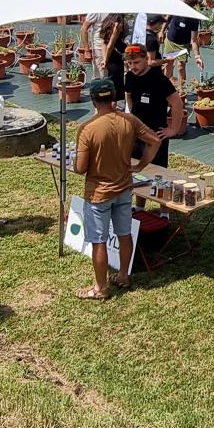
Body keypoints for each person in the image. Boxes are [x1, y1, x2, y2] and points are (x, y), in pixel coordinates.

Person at [71, 77, 160, 300]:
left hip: (99, 194)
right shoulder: (129, 120)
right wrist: (140, 165)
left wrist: (77, 161)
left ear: (92, 100)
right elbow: (155, 141)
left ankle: (100, 289)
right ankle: (123, 276)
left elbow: (80, 169)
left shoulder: (86, 129)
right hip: (124, 189)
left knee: (98, 241)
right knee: (124, 234)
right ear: (114, 97)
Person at [122, 42, 184, 166]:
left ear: (146, 59)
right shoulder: (129, 76)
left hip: (156, 134)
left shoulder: (160, 80)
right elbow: (128, 95)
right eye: (130, 63)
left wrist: (173, 129)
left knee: (156, 171)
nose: (133, 67)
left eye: (137, 62)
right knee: (134, 167)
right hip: (135, 133)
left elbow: (177, 103)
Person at [163, 0, 200, 87]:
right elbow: (167, 19)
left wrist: (197, 56)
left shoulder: (194, 18)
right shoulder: (175, 9)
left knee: (180, 67)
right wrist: (161, 31)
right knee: (168, 64)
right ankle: (165, 88)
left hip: (183, 45)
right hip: (170, 41)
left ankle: (181, 90)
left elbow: (194, 40)